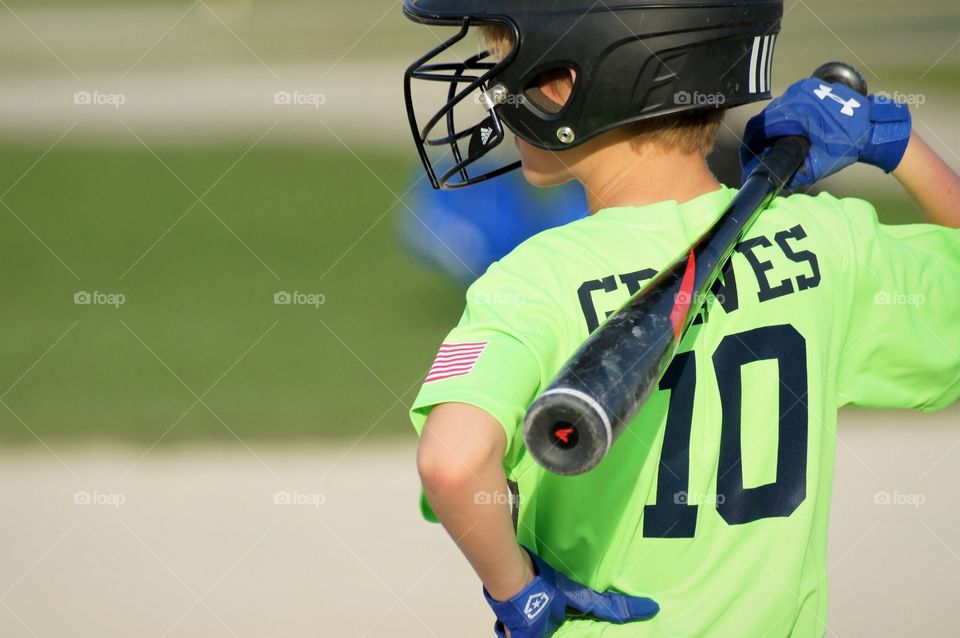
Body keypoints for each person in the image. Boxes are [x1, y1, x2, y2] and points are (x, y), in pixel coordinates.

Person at [401, 1, 960, 636]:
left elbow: (452, 463)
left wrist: (519, 594)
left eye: (505, 65)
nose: (494, 94)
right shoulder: (828, 239)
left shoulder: (534, 279)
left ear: (569, 82)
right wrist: (895, 141)